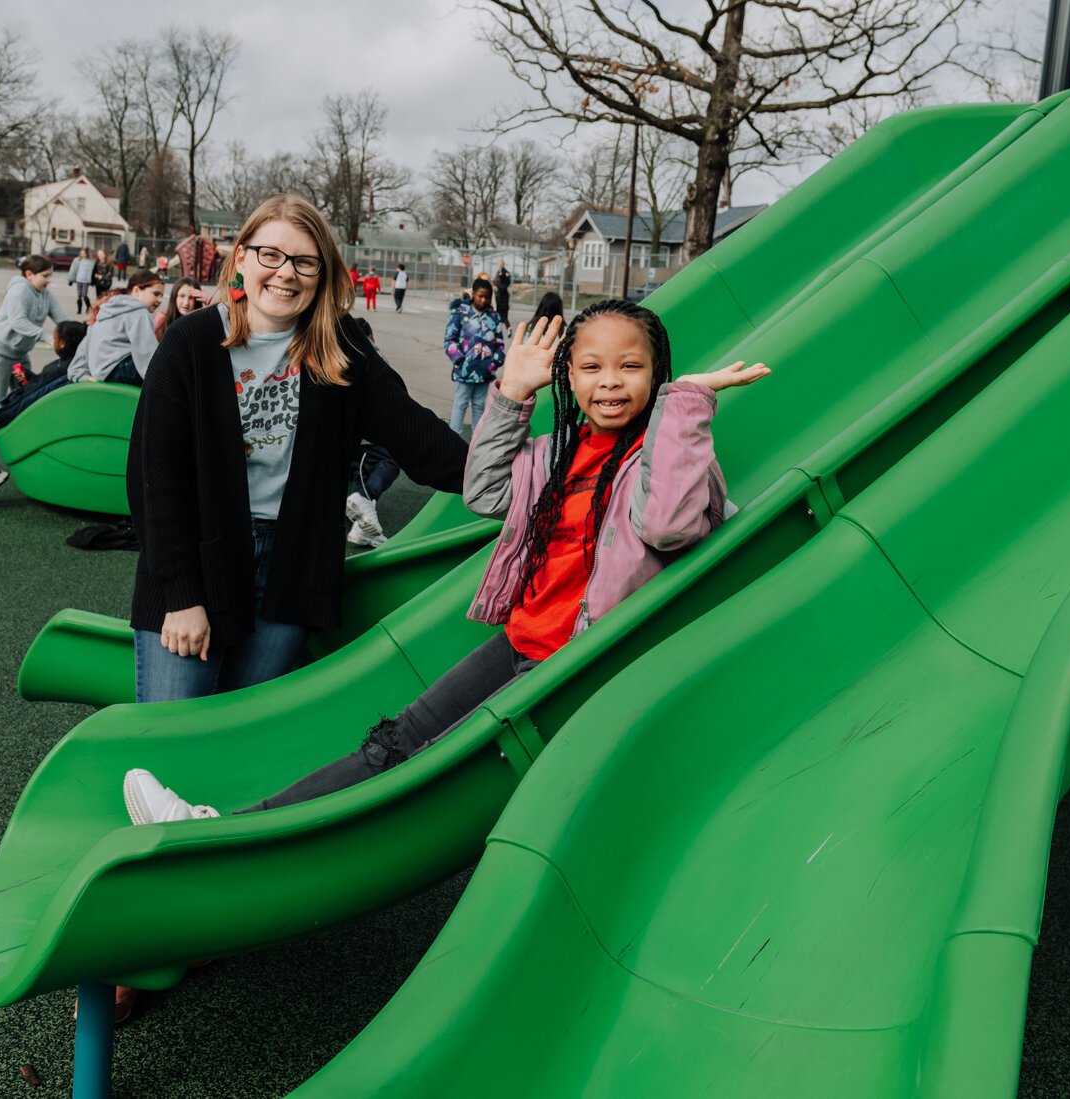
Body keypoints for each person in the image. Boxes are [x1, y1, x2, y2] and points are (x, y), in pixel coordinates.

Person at [119, 299, 771, 823]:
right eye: (592, 367)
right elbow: (486, 490)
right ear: (567, 377)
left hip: (573, 662)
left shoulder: (668, 458)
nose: (610, 382)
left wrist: (685, 407)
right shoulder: (555, 453)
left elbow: (668, 525)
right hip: (520, 643)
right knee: (393, 741)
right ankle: (224, 827)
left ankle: (228, 833)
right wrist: (511, 395)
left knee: (428, 772)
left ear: (655, 374)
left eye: (629, 367)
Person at [125, 192, 467, 704]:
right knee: (174, 734)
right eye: (271, 255)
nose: (286, 273)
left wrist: (521, 472)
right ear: (241, 257)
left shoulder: (338, 345)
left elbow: (418, 438)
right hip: (197, 559)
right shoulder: (192, 343)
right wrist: (182, 596)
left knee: (247, 731)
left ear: (322, 272)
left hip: (290, 566)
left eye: (304, 261)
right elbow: (154, 479)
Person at [0, 321, 89, 508]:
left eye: (55, 338)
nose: (53, 342)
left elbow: (38, 394)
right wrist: (26, 377)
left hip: (17, 409)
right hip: (22, 404)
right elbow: (41, 388)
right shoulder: (68, 365)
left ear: (63, 344)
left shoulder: (63, 368)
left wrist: (6, 410)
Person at [0, 255, 68, 406]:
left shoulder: (45, 293)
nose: (49, 280)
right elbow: (18, 322)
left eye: (50, 275)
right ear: (29, 275)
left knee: (26, 396)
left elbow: (62, 317)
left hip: (20, 355)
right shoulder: (19, 291)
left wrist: (80, 332)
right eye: (45, 276)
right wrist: (48, 338)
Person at [344, 319, 398, 549]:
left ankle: (363, 530)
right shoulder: (372, 355)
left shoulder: (342, 352)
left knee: (361, 474)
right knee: (389, 462)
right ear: (369, 334)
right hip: (368, 433)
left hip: (353, 433)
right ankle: (363, 502)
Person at [68, 268, 163, 385]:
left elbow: (86, 346)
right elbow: (147, 351)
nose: (160, 300)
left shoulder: (104, 312)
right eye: (156, 294)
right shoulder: (139, 312)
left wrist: (80, 374)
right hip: (122, 369)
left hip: (101, 372)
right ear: (137, 290)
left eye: (162, 296)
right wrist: (160, 381)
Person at [444, 278, 504, 434]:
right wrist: (460, 361)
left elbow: (499, 342)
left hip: (485, 373)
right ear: (473, 294)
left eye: (487, 297)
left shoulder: (494, 316)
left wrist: (495, 362)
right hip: (465, 371)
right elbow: (450, 339)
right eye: (480, 296)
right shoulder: (460, 312)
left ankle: (477, 441)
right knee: (460, 403)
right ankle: (454, 438)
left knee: (479, 406)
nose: (483, 300)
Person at [153, 276, 204, 341]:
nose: (186, 303)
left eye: (191, 298)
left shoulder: (200, 324)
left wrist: (208, 303)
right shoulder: (162, 320)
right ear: (174, 297)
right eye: (182, 296)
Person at [67, 247, 94, 314]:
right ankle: (79, 309)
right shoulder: (77, 260)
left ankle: (88, 306)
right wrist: (70, 279)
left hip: (86, 281)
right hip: (78, 280)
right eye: (81, 253)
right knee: (79, 295)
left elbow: (93, 272)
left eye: (84, 253)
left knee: (84, 295)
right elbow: (73, 270)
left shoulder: (90, 261)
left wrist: (92, 281)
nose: (83, 255)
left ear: (87, 254)